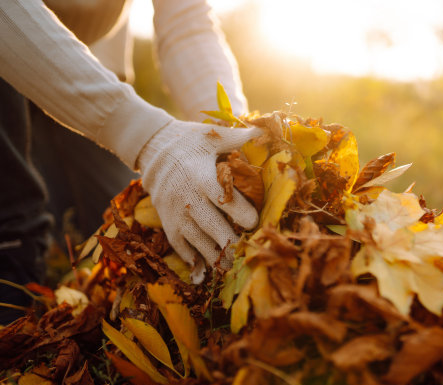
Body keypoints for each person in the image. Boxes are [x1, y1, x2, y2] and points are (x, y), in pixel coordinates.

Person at [0, 0, 261, 324]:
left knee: (128, 240)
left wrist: (226, 138)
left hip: (80, 63)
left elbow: (185, 22)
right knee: (15, 238)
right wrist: (145, 135)